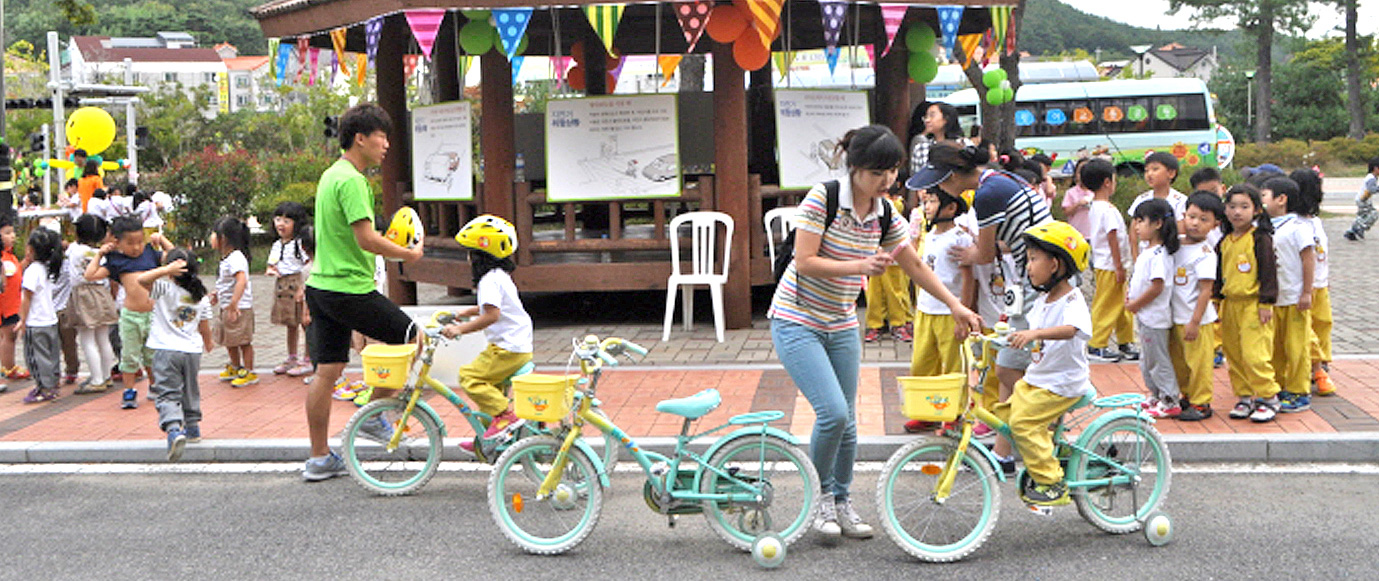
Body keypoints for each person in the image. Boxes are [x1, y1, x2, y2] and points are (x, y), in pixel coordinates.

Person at [771, 125, 980, 542]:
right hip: (796, 318)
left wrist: (956, 304)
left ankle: (843, 500)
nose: (886, 181)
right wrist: (859, 268)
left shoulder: (885, 212)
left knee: (847, 422)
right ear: (854, 168)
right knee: (832, 413)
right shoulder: (824, 198)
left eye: (892, 172)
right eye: (876, 173)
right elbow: (806, 261)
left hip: (841, 320)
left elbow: (915, 265)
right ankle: (821, 497)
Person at [911, 142, 1052, 475]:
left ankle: (1032, 441)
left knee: (1012, 368)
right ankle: (1010, 450)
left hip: (1039, 282)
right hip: (1036, 278)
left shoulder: (988, 193)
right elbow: (1003, 242)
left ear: (953, 176)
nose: (940, 188)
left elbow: (985, 254)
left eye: (940, 181)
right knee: (1011, 368)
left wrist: (970, 252)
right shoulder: (998, 181)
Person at [302, 103, 424, 482]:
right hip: (349, 289)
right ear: (360, 138)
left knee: (327, 371)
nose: (386, 144)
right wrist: (407, 253)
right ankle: (372, 417)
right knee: (415, 338)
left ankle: (320, 457)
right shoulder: (353, 180)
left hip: (320, 287)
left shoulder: (330, 175)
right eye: (381, 136)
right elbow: (367, 239)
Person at [997, 221, 1096, 506]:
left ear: (1054, 265)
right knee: (1006, 413)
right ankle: (1054, 456)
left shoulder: (1071, 300)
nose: (1028, 266)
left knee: (1023, 423)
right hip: (1040, 378)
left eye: (1033, 259)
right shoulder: (1043, 299)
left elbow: (1073, 329)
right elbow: (1029, 331)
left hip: (1063, 383)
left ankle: (1052, 483)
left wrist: (1035, 334)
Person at [441, 215, 534, 454]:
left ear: (480, 255)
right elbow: (493, 307)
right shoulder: (499, 276)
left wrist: (458, 329)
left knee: (470, 377)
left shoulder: (488, 281)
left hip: (507, 349)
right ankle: (487, 438)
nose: (468, 257)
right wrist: (468, 312)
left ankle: (505, 416)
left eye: (470, 252)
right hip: (517, 345)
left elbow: (491, 315)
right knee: (489, 390)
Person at [127, 248, 213, 461]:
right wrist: (208, 343)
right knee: (190, 389)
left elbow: (141, 280)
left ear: (172, 270)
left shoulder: (163, 288)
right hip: (192, 351)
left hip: (166, 350)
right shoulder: (200, 294)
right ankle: (192, 428)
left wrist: (165, 269)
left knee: (167, 391)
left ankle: (174, 429)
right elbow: (204, 325)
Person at [84, 215, 174, 409]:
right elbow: (90, 275)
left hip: (153, 315)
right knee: (129, 356)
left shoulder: (151, 254)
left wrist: (162, 240)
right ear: (117, 242)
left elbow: (177, 257)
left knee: (152, 355)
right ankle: (129, 391)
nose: (136, 247)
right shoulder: (116, 261)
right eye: (130, 243)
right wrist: (99, 255)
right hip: (131, 316)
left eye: (140, 242)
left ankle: (154, 386)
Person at [903, 188, 974, 433]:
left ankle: (956, 413)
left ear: (951, 207)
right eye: (926, 201)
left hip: (949, 314)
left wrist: (963, 314)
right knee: (923, 364)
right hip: (925, 311)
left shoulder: (960, 239)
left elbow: (967, 278)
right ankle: (927, 413)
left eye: (933, 201)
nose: (927, 207)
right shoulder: (929, 235)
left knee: (954, 367)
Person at [1215, 184, 1281, 423]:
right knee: (1234, 353)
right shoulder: (1224, 241)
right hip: (1230, 304)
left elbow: (1268, 271)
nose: (1237, 212)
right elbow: (1219, 274)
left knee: (1255, 354)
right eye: (1232, 206)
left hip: (1254, 305)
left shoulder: (1259, 238)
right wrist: (1216, 300)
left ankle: (1268, 397)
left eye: (1244, 206)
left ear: (1256, 210)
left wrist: (1267, 301)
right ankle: (1244, 396)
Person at [1260, 176, 1315, 414]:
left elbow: (1308, 259)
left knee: (1297, 347)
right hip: (1274, 300)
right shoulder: (1265, 227)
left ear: (1281, 199)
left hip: (1294, 299)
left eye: (1264, 196)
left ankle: (1299, 390)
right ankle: (1280, 385)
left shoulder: (1298, 228)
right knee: (1276, 347)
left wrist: (1306, 292)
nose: (1261, 201)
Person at [1170, 192, 1224, 421]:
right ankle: (1187, 395)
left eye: (1204, 220)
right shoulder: (1175, 246)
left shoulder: (1205, 254)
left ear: (1215, 225)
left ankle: (1201, 402)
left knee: (1199, 364)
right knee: (1179, 362)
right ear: (1183, 215)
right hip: (1174, 316)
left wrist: (1194, 321)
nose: (1195, 223)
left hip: (1197, 321)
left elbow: (1205, 290)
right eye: (1192, 216)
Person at [1126, 199, 1181, 418]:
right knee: (1147, 359)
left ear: (1157, 224)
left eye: (1141, 221)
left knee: (1158, 360)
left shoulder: (1160, 254)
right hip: (1145, 315)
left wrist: (1136, 304)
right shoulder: (1147, 251)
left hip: (1154, 317)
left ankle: (1170, 399)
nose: (1137, 227)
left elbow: (1157, 286)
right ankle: (1156, 394)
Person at [1082, 159, 1136, 363]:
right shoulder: (1107, 210)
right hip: (1111, 266)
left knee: (1121, 304)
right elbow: (1112, 237)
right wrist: (1119, 266)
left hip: (1107, 265)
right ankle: (1097, 344)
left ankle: (1125, 341)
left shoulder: (1096, 206)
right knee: (1106, 305)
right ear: (1107, 182)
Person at [1290, 169, 1336, 397]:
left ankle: (1320, 363)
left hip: (1321, 284)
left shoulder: (1315, 221)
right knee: (1306, 330)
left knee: (1323, 324)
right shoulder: (1293, 223)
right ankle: (1317, 368)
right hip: (1302, 288)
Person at [67, 214, 118, 393]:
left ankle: (96, 379)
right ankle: (105, 375)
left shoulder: (74, 250)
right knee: (103, 337)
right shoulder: (101, 254)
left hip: (83, 294)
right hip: (101, 294)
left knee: (87, 338)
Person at [16, 228, 65, 403]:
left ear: (30, 249)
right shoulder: (48, 268)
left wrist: (22, 320)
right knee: (51, 354)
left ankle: (44, 387)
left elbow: (26, 298)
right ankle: (53, 383)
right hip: (50, 319)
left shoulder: (32, 271)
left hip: (35, 322)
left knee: (36, 357)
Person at [267, 202, 313, 377]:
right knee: (289, 322)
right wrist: (272, 270)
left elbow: (308, 261)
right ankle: (292, 357)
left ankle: (308, 358)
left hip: (297, 284)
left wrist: (304, 285)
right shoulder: (277, 245)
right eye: (278, 219)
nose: (280, 224)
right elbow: (272, 263)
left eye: (287, 221)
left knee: (304, 322)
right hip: (282, 286)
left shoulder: (299, 244)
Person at [210, 216, 257, 387]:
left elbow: (241, 280)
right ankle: (236, 366)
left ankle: (250, 371)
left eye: (214, 234)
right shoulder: (227, 258)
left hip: (239, 308)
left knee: (243, 340)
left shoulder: (236, 257)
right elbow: (227, 282)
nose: (211, 238)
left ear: (224, 238)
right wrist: (218, 293)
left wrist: (234, 302)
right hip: (228, 306)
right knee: (230, 339)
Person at [862, 190, 913, 342]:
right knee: (874, 295)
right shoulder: (870, 214)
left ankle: (899, 323)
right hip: (875, 261)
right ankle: (875, 324)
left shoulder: (897, 215)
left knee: (896, 294)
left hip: (896, 262)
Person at [1127, 152, 1186, 259]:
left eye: (1155, 169)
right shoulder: (1141, 199)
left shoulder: (1180, 201)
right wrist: (1136, 258)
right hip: (1145, 255)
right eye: (1146, 170)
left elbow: (1180, 231)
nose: (1149, 174)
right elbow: (1133, 234)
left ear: (1171, 173)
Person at [0, 211, 28, 387]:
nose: (12, 236)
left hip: (11, 305)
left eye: (13, 232)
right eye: (7, 233)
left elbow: (16, 272)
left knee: (7, 336)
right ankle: (9, 367)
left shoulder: (9, 256)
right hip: (6, 307)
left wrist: (26, 261)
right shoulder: (3, 258)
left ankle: (7, 365)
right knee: (10, 336)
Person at [907, 102, 964, 177]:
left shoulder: (963, 144)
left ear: (946, 118)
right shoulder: (921, 148)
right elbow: (916, 178)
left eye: (932, 115)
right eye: (926, 117)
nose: (927, 120)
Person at [1342, 156, 1379, 241]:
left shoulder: (1371, 177)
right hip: (1363, 200)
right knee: (1374, 214)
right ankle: (1360, 228)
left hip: (1362, 199)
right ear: (1375, 168)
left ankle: (1351, 232)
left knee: (1361, 216)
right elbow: (1371, 189)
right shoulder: (1371, 178)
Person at [1060, 158, 1095, 237]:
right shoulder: (1071, 192)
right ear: (1075, 174)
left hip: (1093, 234)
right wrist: (1078, 204)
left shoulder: (1096, 192)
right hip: (1076, 234)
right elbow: (1066, 212)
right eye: (1080, 172)